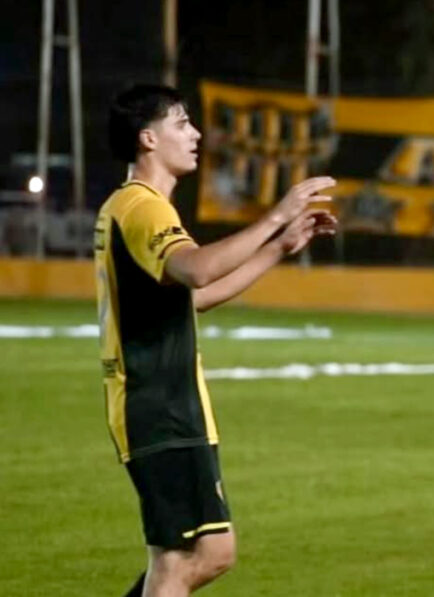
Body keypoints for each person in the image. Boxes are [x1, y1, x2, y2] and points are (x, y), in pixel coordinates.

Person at [96, 84, 336, 597]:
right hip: (157, 404)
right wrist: (275, 216)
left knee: (206, 552)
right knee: (182, 559)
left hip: (169, 402)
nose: (196, 134)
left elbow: (195, 297)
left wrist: (278, 248)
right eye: (182, 123)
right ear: (148, 138)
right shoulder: (142, 208)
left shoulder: (138, 207)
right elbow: (198, 270)